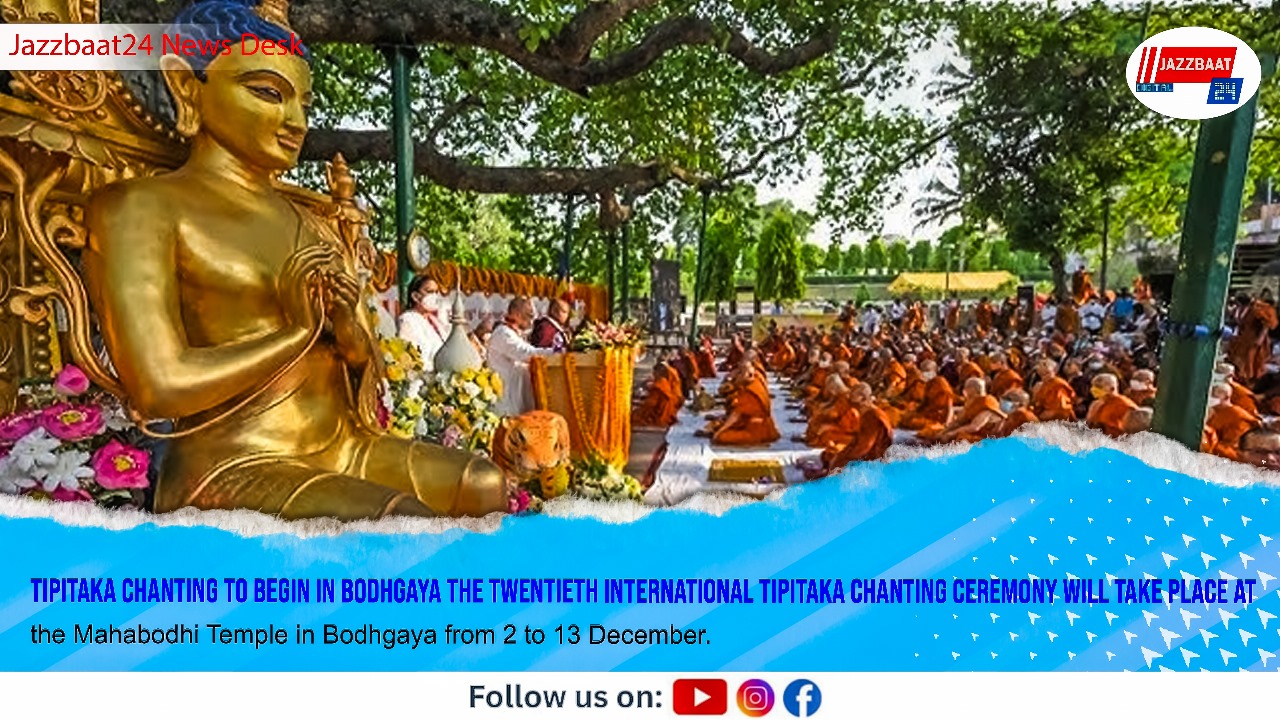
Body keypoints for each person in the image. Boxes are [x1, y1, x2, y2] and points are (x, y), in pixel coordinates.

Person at [81, 0, 506, 520]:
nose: (296, 122)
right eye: (267, 93)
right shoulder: (142, 208)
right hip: (232, 460)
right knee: (400, 521)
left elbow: (359, 363)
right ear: (187, 85)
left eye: (303, 102)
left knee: (481, 483)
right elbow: (158, 386)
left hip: (342, 442)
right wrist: (295, 333)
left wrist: (349, 330)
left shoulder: (311, 217)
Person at [487, 297, 554, 416]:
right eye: (529, 315)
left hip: (518, 401)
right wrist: (557, 352)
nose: (532, 320)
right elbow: (526, 353)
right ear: (517, 314)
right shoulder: (503, 334)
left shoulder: (514, 333)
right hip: (507, 405)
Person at [398, 276, 449, 372]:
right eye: (430, 292)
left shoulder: (434, 321)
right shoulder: (408, 319)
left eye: (436, 292)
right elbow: (410, 356)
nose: (435, 296)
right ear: (415, 296)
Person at [1085, 373, 1138, 438]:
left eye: (1099, 387)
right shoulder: (1096, 404)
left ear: (1112, 388)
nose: (1094, 389)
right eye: (1093, 386)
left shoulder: (1125, 405)